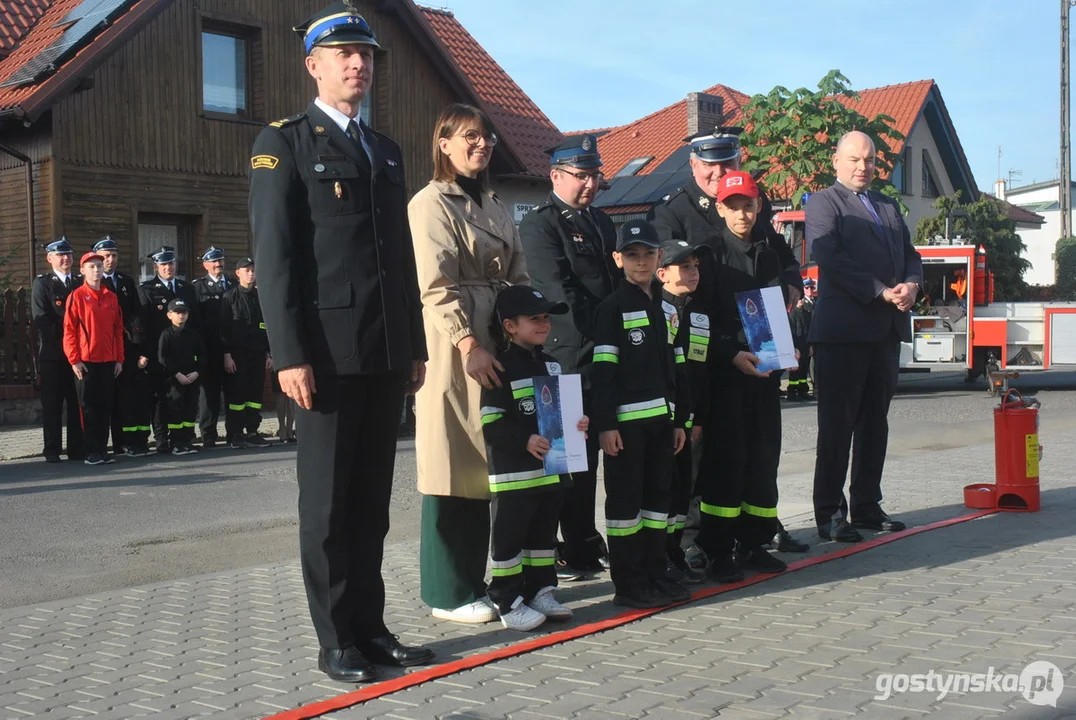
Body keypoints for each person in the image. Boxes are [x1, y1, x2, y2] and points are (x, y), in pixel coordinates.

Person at [249, 2, 431, 684]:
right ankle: (335, 640)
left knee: (370, 504)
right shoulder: (285, 143)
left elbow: (398, 260)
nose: (360, 64)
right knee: (326, 506)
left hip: (383, 352)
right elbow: (276, 262)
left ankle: (371, 627)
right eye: (345, 55)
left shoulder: (383, 149)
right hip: (324, 356)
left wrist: (412, 344)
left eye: (368, 54)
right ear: (314, 66)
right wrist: (289, 353)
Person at [408, 102, 530, 626]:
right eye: (469, 137)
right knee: (450, 460)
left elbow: (520, 276)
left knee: (488, 465)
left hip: (499, 337)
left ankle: (479, 579)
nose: (481, 145)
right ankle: (447, 590)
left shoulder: (496, 204)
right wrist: (467, 343)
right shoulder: (430, 202)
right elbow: (434, 287)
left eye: (487, 139)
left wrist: (525, 329)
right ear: (444, 143)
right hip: (454, 344)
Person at [807, 131, 922, 543]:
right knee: (837, 426)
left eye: (870, 160)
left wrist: (910, 283)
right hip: (844, 333)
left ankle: (867, 506)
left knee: (875, 424)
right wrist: (879, 290)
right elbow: (829, 257)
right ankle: (829, 513)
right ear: (835, 161)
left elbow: (911, 254)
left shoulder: (888, 206)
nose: (863, 167)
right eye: (854, 159)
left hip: (886, 332)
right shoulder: (823, 202)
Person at [518, 134, 619, 580]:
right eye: (581, 176)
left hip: (599, 350)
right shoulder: (540, 224)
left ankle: (583, 541)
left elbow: (611, 283)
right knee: (567, 459)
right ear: (555, 175)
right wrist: (603, 329)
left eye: (595, 176)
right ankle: (565, 547)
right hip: (566, 352)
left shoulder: (600, 221)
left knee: (591, 455)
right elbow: (558, 292)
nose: (590, 185)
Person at [693, 171, 798, 583]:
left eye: (748, 204)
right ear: (720, 208)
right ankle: (718, 551)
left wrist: (790, 347)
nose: (742, 213)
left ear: (758, 207)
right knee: (726, 464)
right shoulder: (709, 255)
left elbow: (776, 310)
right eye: (733, 206)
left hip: (765, 375)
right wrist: (729, 354)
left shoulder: (768, 252)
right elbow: (699, 321)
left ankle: (755, 543)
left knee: (762, 459)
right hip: (726, 376)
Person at [591, 219, 689, 609]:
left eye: (649, 254)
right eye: (632, 255)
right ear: (618, 259)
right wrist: (606, 425)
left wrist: (681, 419)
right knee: (625, 507)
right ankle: (629, 585)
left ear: (660, 257)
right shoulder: (611, 308)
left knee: (656, 503)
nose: (641, 261)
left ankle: (654, 573)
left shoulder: (668, 309)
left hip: (662, 425)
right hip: (626, 429)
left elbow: (677, 367)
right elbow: (603, 372)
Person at [481, 285, 583, 631]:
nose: (544, 324)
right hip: (514, 476)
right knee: (510, 538)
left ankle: (541, 590)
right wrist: (524, 440)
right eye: (534, 319)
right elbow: (490, 422)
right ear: (509, 326)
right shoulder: (499, 366)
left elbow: (562, 415)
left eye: (546, 319)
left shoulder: (553, 364)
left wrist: (578, 422)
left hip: (550, 473)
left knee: (542, 537)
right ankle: (507, 599)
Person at [655, 240, 712, 585]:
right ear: (662, 274)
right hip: (664, 418)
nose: (693, 272)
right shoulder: (655, 310)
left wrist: (699, 417)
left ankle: (685, 547)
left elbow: (700, 370)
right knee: (665, 488)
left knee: (688, 486)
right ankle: (661, 552)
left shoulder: (698, 311)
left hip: (691, 416)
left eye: (695, 266)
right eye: (685, 266)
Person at [62, 252, 124, 466]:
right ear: (82, 271)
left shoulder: (111, 297)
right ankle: (90, 451)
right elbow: (69, 330)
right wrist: (74, 359)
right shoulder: (77, 296)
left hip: (108, 360)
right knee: (88, 407)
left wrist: (119, 358)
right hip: (86, 362)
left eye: (99, 266)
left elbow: (118, 330)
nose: (96, 270)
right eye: (91, 267)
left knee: (105, 406)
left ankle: (102, 449)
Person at [139, 247, 198, 454]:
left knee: (184, 400)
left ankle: (184, 438)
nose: (168, 268)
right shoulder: (147, 289)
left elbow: (195, 323)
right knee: (160, 399)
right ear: (156, 267)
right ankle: (162, 438)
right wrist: (145, 353)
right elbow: (142, 325)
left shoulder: (186, 288)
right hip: (158, 354)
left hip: (183, 354)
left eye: (171, 264)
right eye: (164, 265)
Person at [31, 238, 84, 463]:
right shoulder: (43, 284)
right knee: (52, 404)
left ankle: (77, 448)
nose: (65, 259)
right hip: (54, 355)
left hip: (80, 354)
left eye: (68, 254)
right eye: (60, 255)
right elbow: (41, 319)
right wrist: (70, 336)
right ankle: (52, 450)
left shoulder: (81, 282)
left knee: (76, 402)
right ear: (50, 258)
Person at [94, 236, 143, 455]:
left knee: (126, 395)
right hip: (103, 346)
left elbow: (135, 314)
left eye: (113, 255)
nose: (110, 260)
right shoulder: (92, 281)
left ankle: (123, 441)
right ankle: (101, 443)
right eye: (105, 256)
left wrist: (137, 344)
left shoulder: (125, 280)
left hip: (125, 345)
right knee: (105, 396)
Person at [220, 257, 271, 449]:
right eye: (246, 270)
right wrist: (226, 354)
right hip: (237, 354)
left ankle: (252, 431)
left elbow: (267, 327)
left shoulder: (261, 297)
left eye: (253, 270)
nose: (251, 274)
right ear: (238, 273)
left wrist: (268, 353)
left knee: (255, 395)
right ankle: (235, 433)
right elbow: (223, 328)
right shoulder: (229, 297)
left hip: (257, 353)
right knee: (237, 395)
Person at [193, 246, 231, 448]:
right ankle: (208, 434)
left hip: (232, 349)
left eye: (221, 260)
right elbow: (196, 322)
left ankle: (235, 433)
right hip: (210, 349)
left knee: (234, 392)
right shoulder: (198, 287)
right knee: (209, 394)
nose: (218, 264)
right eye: (214, 261)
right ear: (205, 265)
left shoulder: (233, 284)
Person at [157, 299, 203, 456]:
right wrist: (177, 374)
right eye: (177, 312)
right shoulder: (166, 335)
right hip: (174, 381)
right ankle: (176, 442)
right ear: (169, 315)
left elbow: (202, 355)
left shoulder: (193, 334)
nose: (181, 315)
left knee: (190, 410)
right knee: (176, 410)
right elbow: (163, 358)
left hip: (192, 378)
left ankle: (187, 440)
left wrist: (197, 372)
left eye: (184, 312)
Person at [787, 278, 815, 401]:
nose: (800, 301)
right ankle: (792, 392)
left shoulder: (805, 311)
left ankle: (802, 390)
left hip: (804, 343)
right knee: (795, 371)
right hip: (796, 343)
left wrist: (809, 344)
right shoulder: (793, 312)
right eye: (807, 288)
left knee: (804, 369)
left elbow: (807, 328)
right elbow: (791, 329)